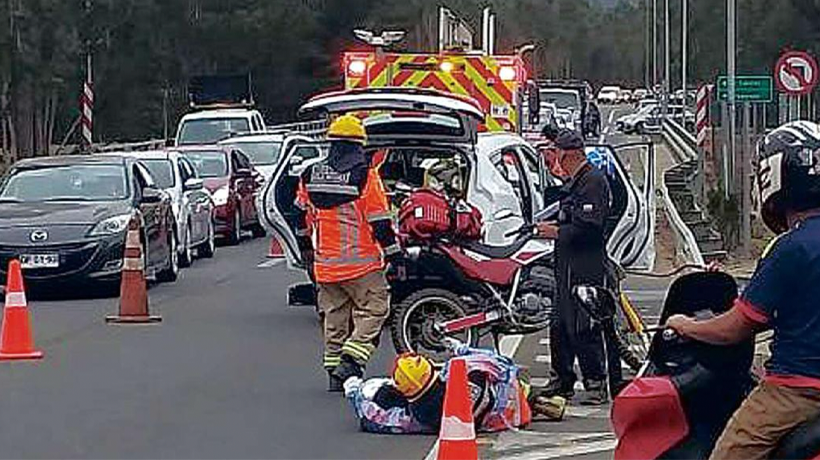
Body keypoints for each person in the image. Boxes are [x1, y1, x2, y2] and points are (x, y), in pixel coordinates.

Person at [667, 120, 820, 460]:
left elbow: (735, 327)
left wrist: (684, 324)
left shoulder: (791, 247)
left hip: (798, 390)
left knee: (727, 454)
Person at [294, 114, 403, 392]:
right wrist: (394, 255)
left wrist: (307, 251)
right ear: (359, 145)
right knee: (375, 309)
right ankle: (351, 361)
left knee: (335, 318)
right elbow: (379, 222)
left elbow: (301, 218)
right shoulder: (365, 176)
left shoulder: (310, 174)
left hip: (326, 265)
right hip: (361, 265)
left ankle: (334, 375)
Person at [536, 129, 613, 405]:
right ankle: (562, 379)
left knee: (583, 324)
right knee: (559, 323)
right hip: (566, 262)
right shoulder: (574, 182)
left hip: (585, 263)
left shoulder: (592, 182)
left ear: (572, 155)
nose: (556, 162)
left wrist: (556, 232)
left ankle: (595, 382)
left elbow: (589, 226)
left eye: (559, 156)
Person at [343, 342, 532, 434]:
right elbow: (500, 362)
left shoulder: (419, 416)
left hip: (502, 416)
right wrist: (463, 350)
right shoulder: (464, 369)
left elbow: (378, 420)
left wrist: (355, 395)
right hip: (512, 405)